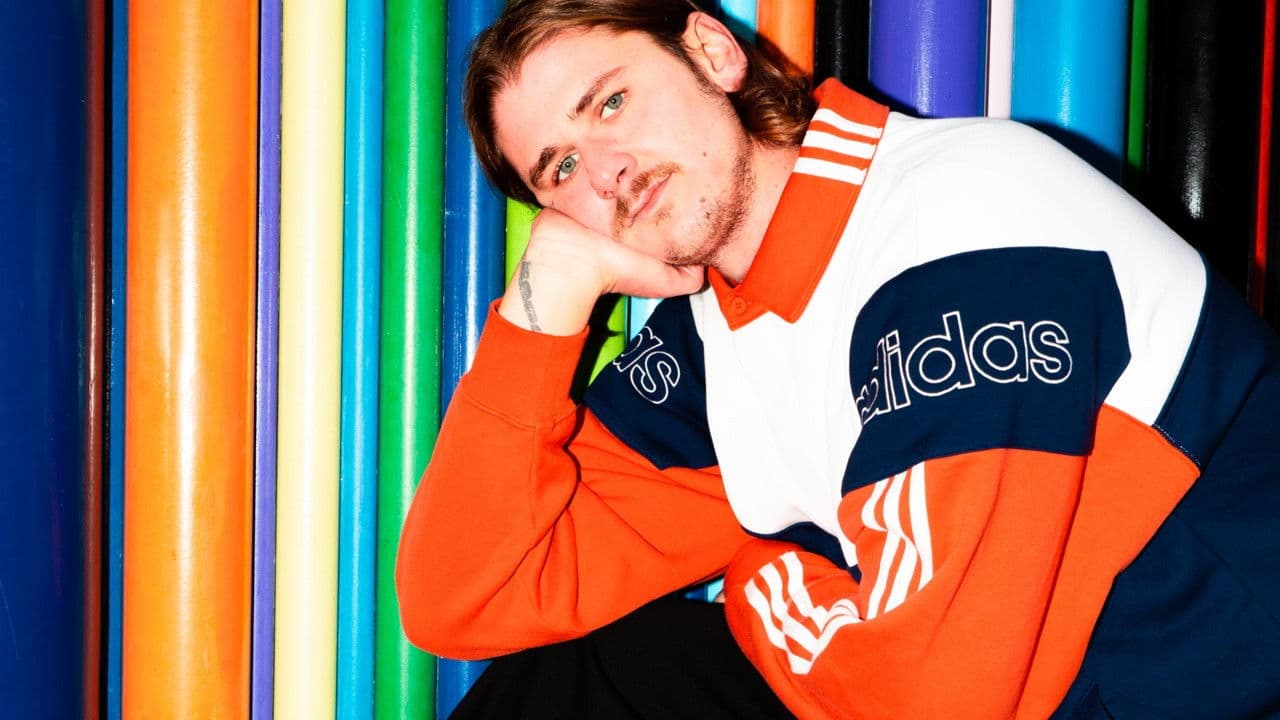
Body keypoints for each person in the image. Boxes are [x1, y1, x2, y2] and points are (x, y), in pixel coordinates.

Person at [396, 0, 1280, 717]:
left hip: (1200, 691)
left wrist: (758, 570)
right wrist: (538, 312)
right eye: (558, 169)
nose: (607, 171)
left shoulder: (963, 217)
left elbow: (936, 696)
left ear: (711, 53)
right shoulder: (713, 327)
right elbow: (462, 599)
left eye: (612, 103)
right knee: (583, 680)